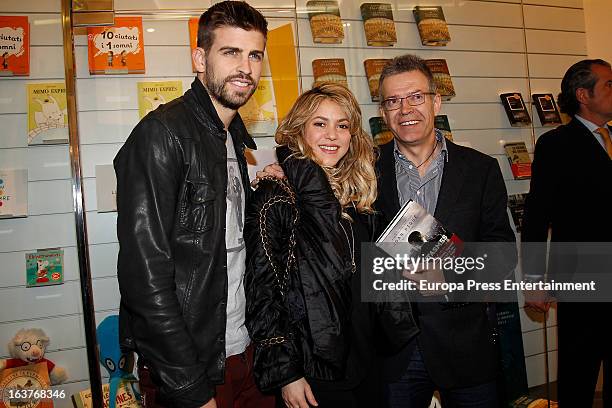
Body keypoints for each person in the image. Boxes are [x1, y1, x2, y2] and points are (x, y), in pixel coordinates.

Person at [114, 2, 275, 408]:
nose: (246, 67)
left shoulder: (231, 137)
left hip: (244, 353)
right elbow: (144, 278)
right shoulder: (162, 135)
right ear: (200, 58)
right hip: (192, 369)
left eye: (255, 54)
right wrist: (188, 387)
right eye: (231, 52)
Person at [375, 54, 517, 407]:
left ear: (436, 101)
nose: (405, 109)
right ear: (383, 112)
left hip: (465, 344)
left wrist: (449, 274)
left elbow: (503, 254)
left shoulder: (481, 169)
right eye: (393, 101)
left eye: (416, 97)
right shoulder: (364, 168)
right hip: (395, 350)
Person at [244, 83, 382, 408]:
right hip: (314, 372)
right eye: (320, 124)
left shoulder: (355, 195)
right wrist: (286, 374)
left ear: (353, 136)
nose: (332, 135)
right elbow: (262, 291)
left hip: (367, 360)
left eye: (342, 125)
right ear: (299, 130)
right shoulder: (276, 195)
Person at [521, 59, 612, 407]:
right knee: (579, 373)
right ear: (583, 95)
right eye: (607, 84)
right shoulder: (556, 144)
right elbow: (536, 215)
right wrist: (532, 278)